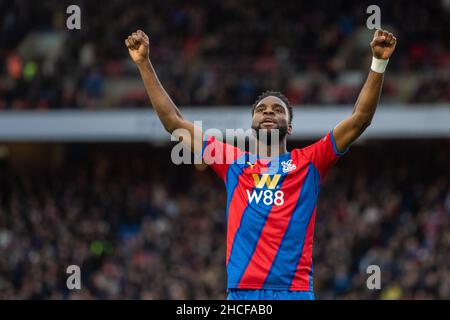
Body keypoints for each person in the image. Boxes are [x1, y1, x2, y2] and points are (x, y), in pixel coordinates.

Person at [124, 28, 397, 300]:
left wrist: (378, 63)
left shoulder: (310, 161)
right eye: (261, 109)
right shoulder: (232, 161)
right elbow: (173, 122)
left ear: (289, 127)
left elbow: (360, 119)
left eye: (277, 110)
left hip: (294, 292)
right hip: (242, 295)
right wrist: (144, 63)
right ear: (253, 124)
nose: (268, 112)